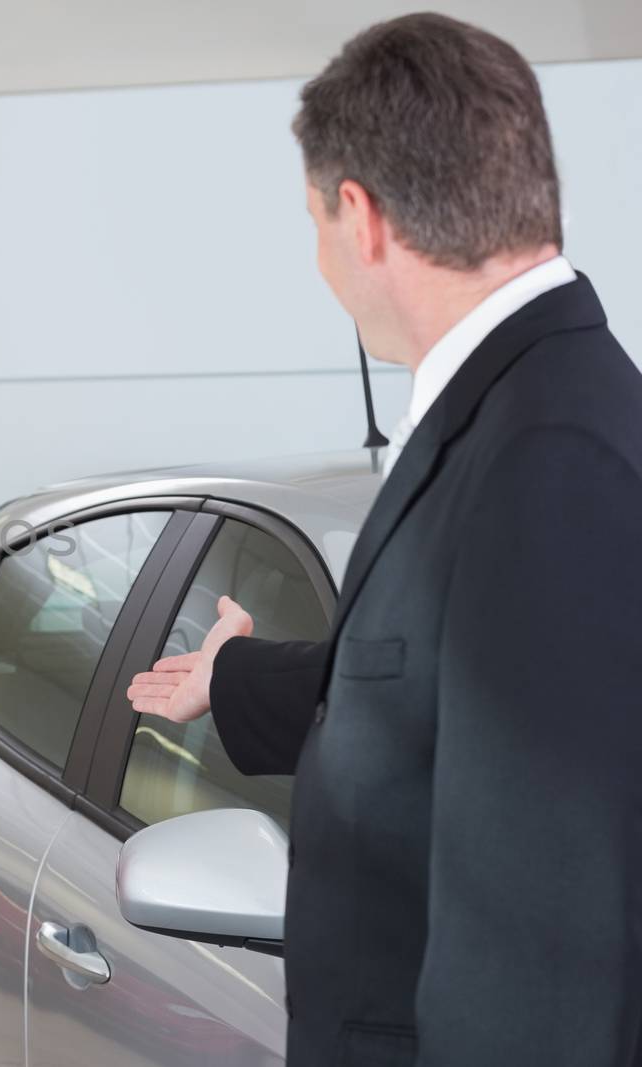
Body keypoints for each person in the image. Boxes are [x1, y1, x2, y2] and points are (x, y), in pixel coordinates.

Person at [126, 14, 642, 1065]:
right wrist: (234, 676)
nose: (320, 256)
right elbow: (451, 681)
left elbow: (540, 945)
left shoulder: (547, 453)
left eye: (313, 222)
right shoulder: (534, 404)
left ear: (358, 216)